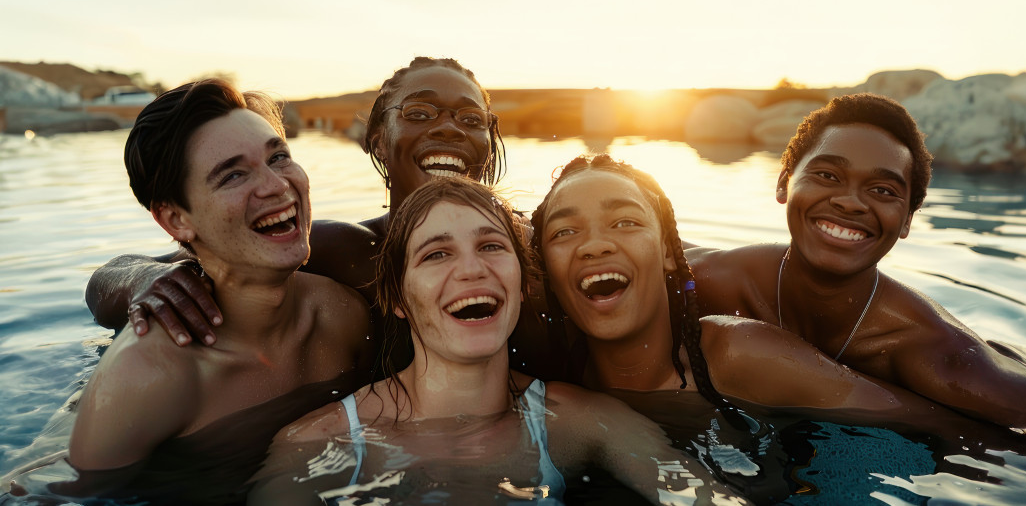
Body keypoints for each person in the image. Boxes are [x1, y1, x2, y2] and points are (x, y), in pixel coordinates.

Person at [250, 177, 745, 505]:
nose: (472, 269)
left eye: (491, 246)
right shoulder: (316, 444)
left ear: (523, 281)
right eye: (436, 255)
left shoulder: (581, 421)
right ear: (398, 298)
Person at [529, 153, 1026, 447]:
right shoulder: (545, 380)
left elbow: (944, 429)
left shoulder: (739, 355)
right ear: (544, 271)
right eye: (564, 232)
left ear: (669, 253)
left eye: (625, 222)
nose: (595, 243)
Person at [80, 57, 554, 373]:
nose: (449, 129)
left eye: (471, 120)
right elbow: (107, 279)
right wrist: (144, 280)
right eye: (420, 112)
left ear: (490, 143)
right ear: (377, 141)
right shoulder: (346, 253)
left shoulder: (540, 251)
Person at [687, 94, 1026, 436]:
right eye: (827, 175)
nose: (851, 202)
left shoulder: (940, 359)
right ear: (784, 183)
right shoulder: (713, 280)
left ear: (907, 219)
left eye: (882, 190)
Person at [57, 80, 373, 504]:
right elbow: (67, 495)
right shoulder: (148, 374)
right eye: (234, 174)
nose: (277, 186)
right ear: (175, 220)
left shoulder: (343, 316)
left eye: (278, 157)